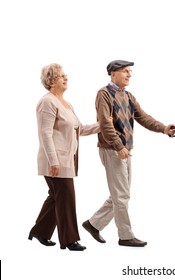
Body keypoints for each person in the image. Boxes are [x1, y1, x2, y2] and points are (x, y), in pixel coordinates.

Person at [82, 60, 175, 247]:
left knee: (121, 194)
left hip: (125, 150)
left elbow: (143, 117)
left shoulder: (127, 96)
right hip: (112, 149)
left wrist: (164, 128)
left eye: (130, 72)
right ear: (112, 74)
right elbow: (105, 123)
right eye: (125, 71)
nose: (129, 75)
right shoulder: (104, 94)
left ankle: (93, 224)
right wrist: (118, 146)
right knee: (122, 195)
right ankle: (125, 236)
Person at [29, 63, 100, 251]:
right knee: (66, 197)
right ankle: (69, 240)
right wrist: (53, 161)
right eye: (61, 76)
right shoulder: (47, 102)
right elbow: (45, 133)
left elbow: (80, 129)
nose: (65, 78)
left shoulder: (66, 104)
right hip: (56, 161)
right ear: (51, 82)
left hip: (68, 159)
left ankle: (40, 231)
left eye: (65, 75)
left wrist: (102, 125)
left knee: (56, 196)